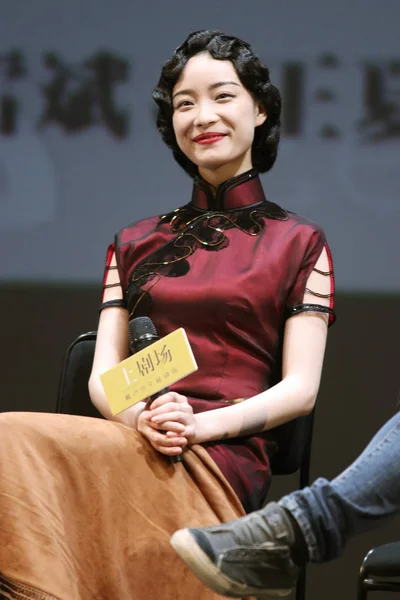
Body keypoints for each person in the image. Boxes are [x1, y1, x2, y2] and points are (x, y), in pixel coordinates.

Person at [0, 30, 336, 600]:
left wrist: (199, 426)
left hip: (219, 460)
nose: (202, 115)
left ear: (259, 109)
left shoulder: (299, 242)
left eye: (223, 96)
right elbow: (104, 375)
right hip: (135, 439)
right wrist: (141, 421)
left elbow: (301, 390)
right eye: (185, 103)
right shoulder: (132, 242)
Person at [171, 409, 400, 598]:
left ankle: (299, 529)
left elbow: (302, 391)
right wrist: (143, 414)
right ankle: (298, 530)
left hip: (219, 430)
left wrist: (197, 424)